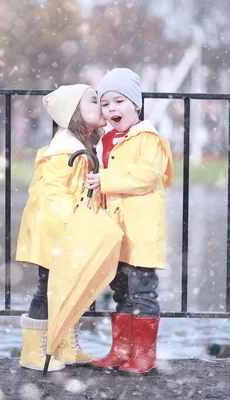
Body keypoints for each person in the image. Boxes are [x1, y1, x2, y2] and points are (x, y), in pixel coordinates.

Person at [85, 68, 173, 376]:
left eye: (119, 102)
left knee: (142, 292)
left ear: (135, 104)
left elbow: (147, 176)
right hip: (115, 232)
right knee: (120, 291)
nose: (112, 109)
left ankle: (144, 355)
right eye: (106, 104)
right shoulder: (105, 140)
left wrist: (104, 180)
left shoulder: (148, 138)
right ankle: (121, 350)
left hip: (140, 231)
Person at [16, 84, 106, 371]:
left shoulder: (86, 145)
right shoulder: (63, 151)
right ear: (74, 113)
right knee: (48, 289)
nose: (102, 103)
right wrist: (70, 227)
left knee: (71, 289)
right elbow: (55, 195)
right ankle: (34, 352)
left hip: (72, 228)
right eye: (94, 100)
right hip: (58, 231)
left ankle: (65, 347)